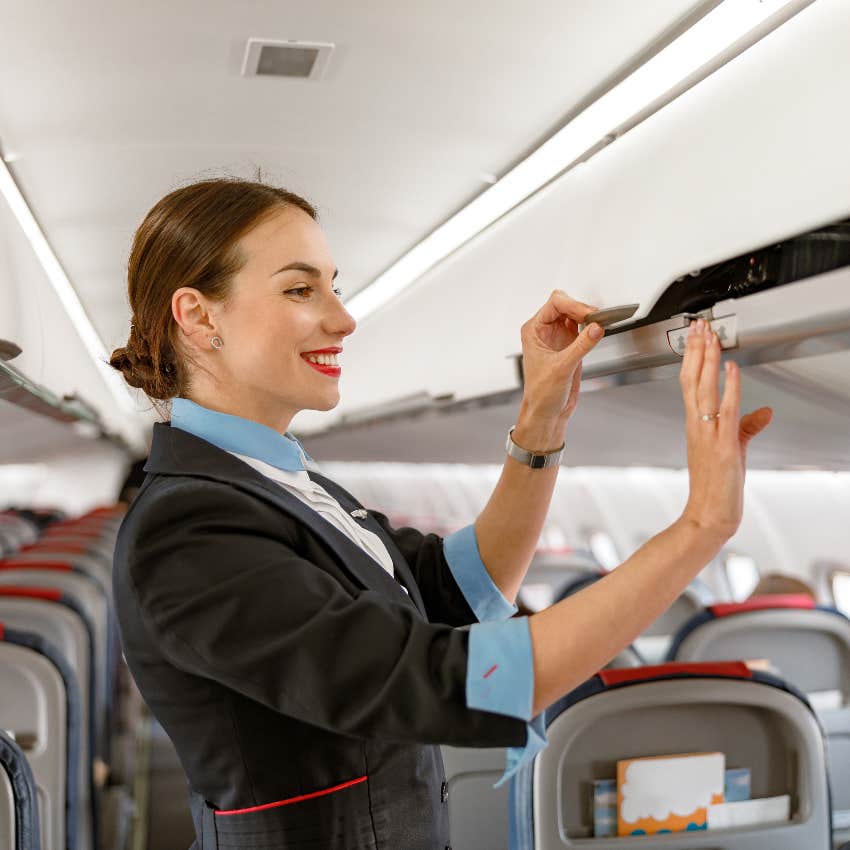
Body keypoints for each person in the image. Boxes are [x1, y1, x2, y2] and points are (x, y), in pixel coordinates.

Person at [109, 178, 773, 850]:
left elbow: (462, 586)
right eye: (300, 288)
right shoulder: (186, 531)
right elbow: (441, 681)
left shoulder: (290, 483)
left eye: (334, 286)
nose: (343, 318)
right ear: (198, 316)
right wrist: (700, 529)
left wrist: (539, 419)